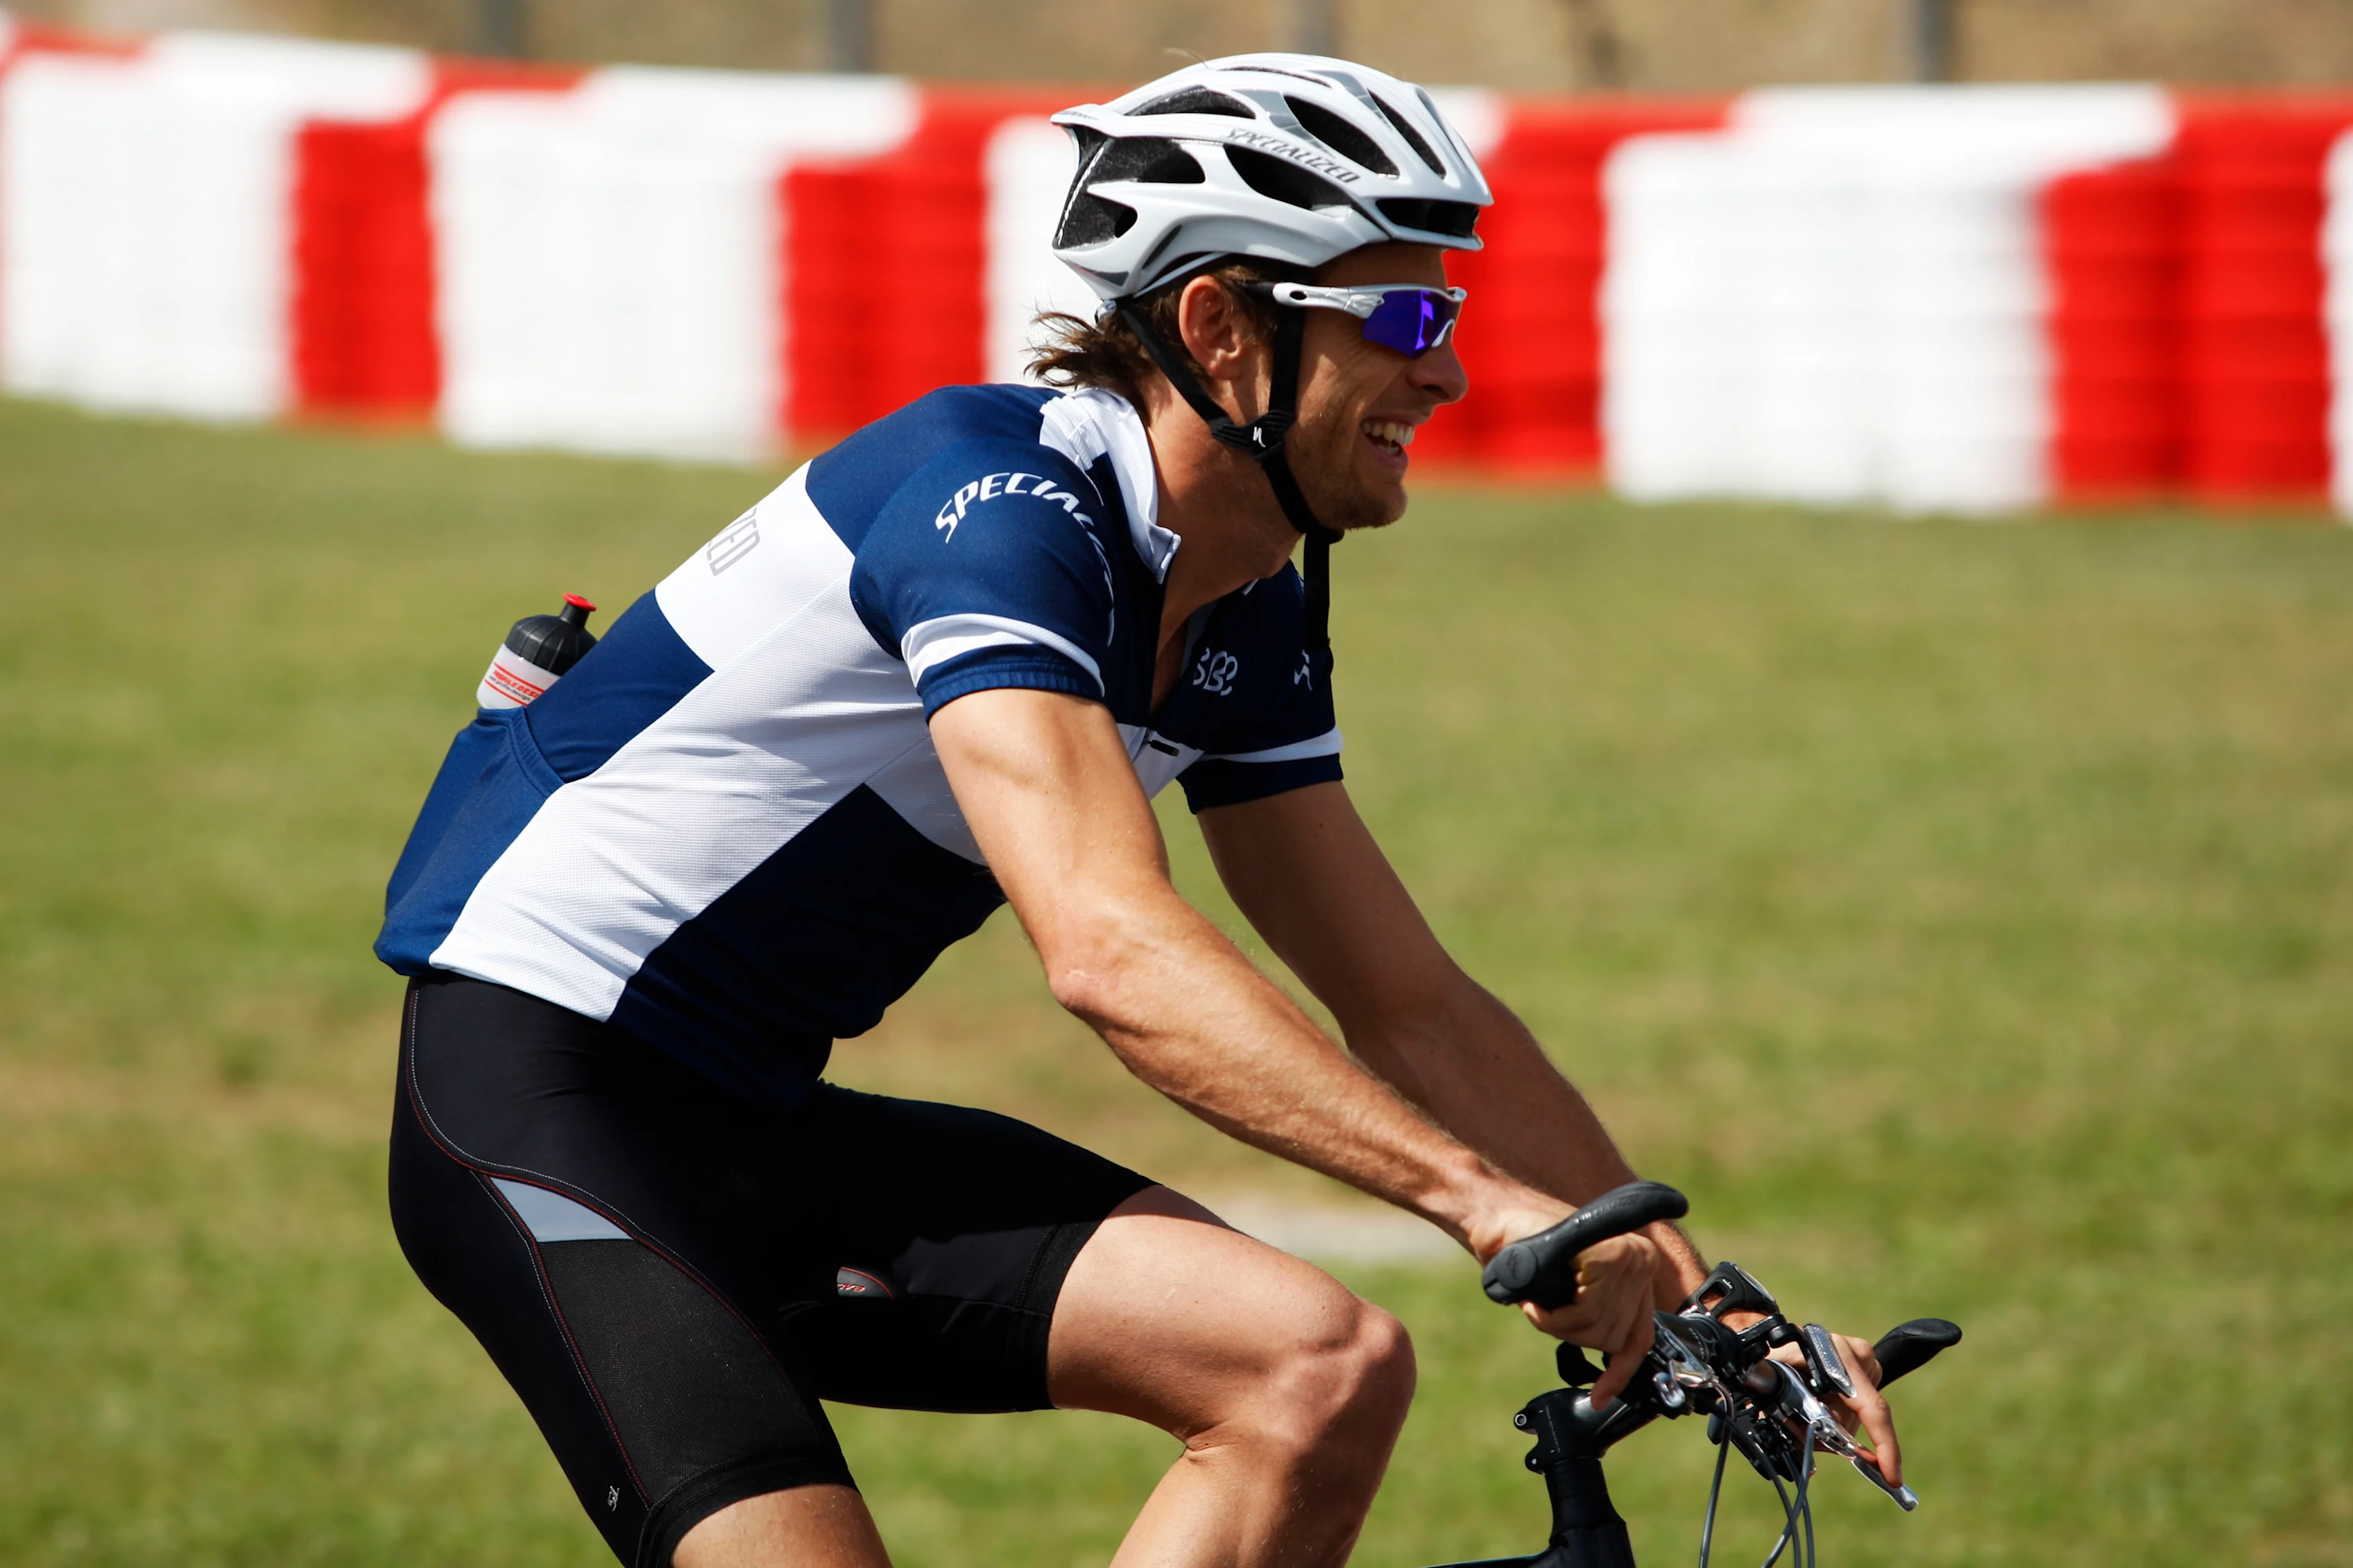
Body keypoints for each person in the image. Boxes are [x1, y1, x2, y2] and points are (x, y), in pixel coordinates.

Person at [374, 53, 1901, 1568]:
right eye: (1405, 319)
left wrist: (1709, 1306)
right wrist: (1482, 1200)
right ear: (1218, 330)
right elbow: (1109, 944)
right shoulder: (1000, 509)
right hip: (535, 1097)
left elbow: (1411, 1001)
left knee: (1315, 1366)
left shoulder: (1244, 604)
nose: (1444, 372)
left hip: (752, 1113)